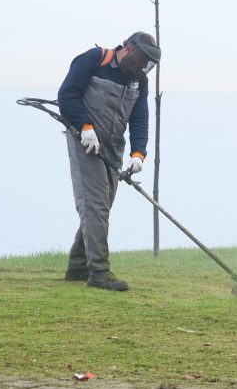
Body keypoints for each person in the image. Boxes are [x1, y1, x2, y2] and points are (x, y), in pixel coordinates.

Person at [57, 32, 160, 291]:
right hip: (85, 143)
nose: (140, 67)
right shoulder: (93, 60)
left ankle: (77, 266)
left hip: (113, 148)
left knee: (103, 205)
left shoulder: (139, 81)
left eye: (146, 64)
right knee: (95, 207)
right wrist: (85, 126)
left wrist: (138, 153)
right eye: (139, 60)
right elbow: (67, 95)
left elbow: (140, 117)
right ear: (127, 48)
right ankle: (99, 274)